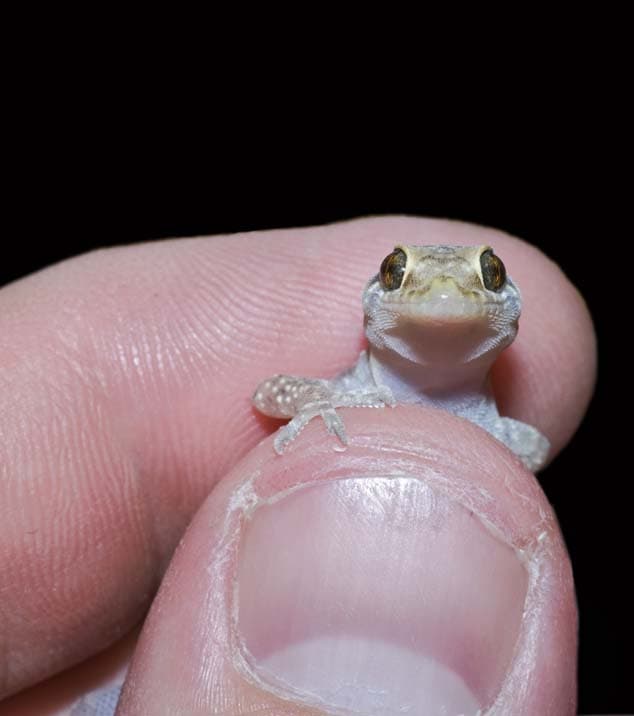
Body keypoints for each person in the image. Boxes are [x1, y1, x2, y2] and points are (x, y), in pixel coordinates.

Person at [0, 217, 596, 715]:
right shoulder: (341, 392)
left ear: (511, 309)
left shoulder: (502, 435)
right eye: (399, 273)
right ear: (373, 303)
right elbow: (268, 395)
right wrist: (318, 399)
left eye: (487, 277)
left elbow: (535, 451)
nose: (443, 290)